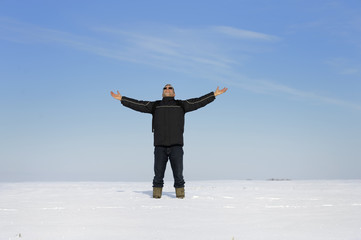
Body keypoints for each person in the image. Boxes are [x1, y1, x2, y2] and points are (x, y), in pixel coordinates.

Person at [110, 84, 228, 199]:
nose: (167, 89)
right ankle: (156, 196)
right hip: (159, 147)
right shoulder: (155, 105)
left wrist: (214, 94)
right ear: (162, 93)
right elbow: (138, 104)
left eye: (170, 88)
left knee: (178, 175)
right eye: (165, 88)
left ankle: (180, 196)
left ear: (174, 93)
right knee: (158, 176)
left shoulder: (181, 105)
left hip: (176, 147)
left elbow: (198, 102)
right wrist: (122, 99)